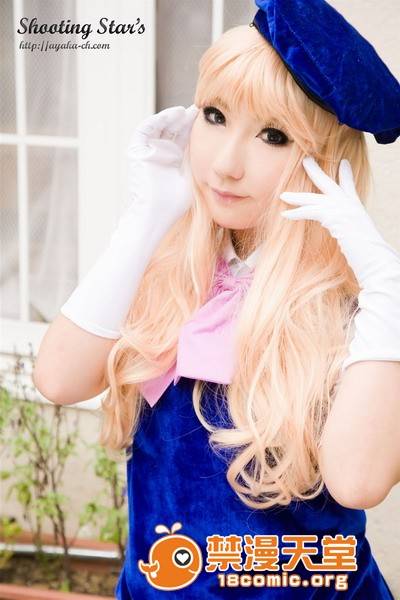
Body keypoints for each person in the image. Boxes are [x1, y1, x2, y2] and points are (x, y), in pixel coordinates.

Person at [33, 0, 400, 597]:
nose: (226, 164)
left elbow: (359, 482)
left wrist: (388, 286)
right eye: (214, 115)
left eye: (273, 136)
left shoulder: (362, 317)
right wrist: (146, 217)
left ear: (325, 164)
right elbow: (57, 378)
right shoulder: (170, 274)